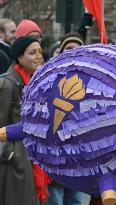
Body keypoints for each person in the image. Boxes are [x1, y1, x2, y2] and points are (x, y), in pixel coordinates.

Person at [0, 36, 44, 205]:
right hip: (14, 166)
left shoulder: (36, 81)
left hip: (32, 159)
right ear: (19, 57)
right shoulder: (7, 84)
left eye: (40, 51)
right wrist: (11, 154)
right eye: (32, 52)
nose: (38, 56)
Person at [46, 32, 85, 205]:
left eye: (78, 49)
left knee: (75, 200)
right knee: (55, 199)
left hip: (79, 152)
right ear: (61, 51)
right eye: (69, 48)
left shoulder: (90, 77)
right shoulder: (48, 76)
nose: (73, 52)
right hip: (54, 150)